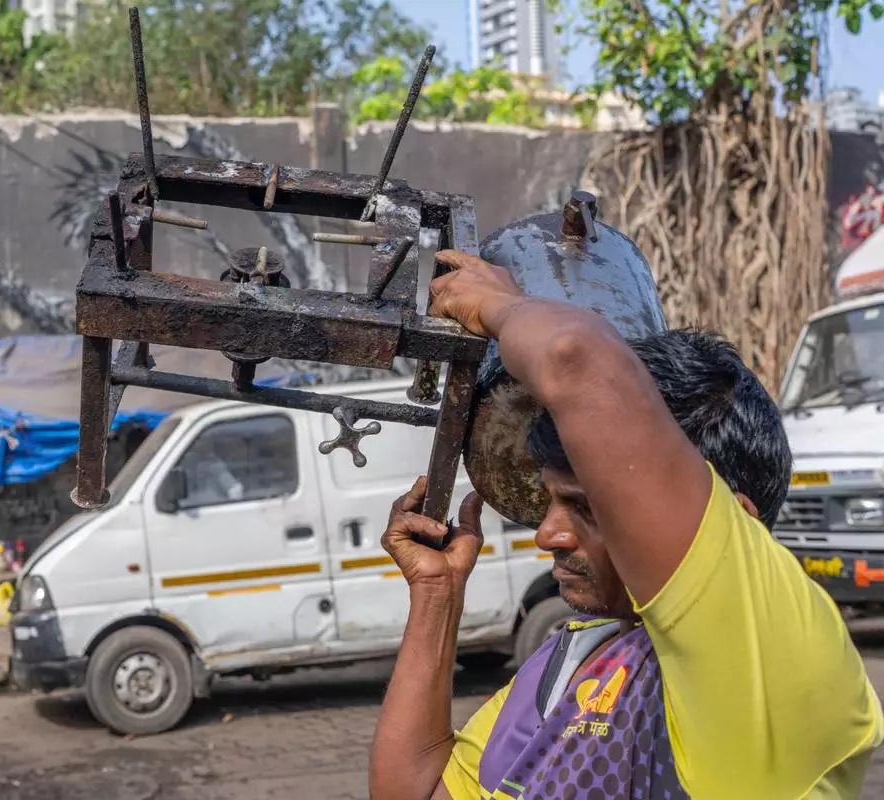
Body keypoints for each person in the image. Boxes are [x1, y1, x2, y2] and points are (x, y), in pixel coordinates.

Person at [369, 251, 884, 799]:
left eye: (589, 508)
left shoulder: (771, 658)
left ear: (733, 520)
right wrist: (437, 595)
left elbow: (575, 358)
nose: (550, 535)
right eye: (553, 503)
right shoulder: (570, 667)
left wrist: (501, 305)